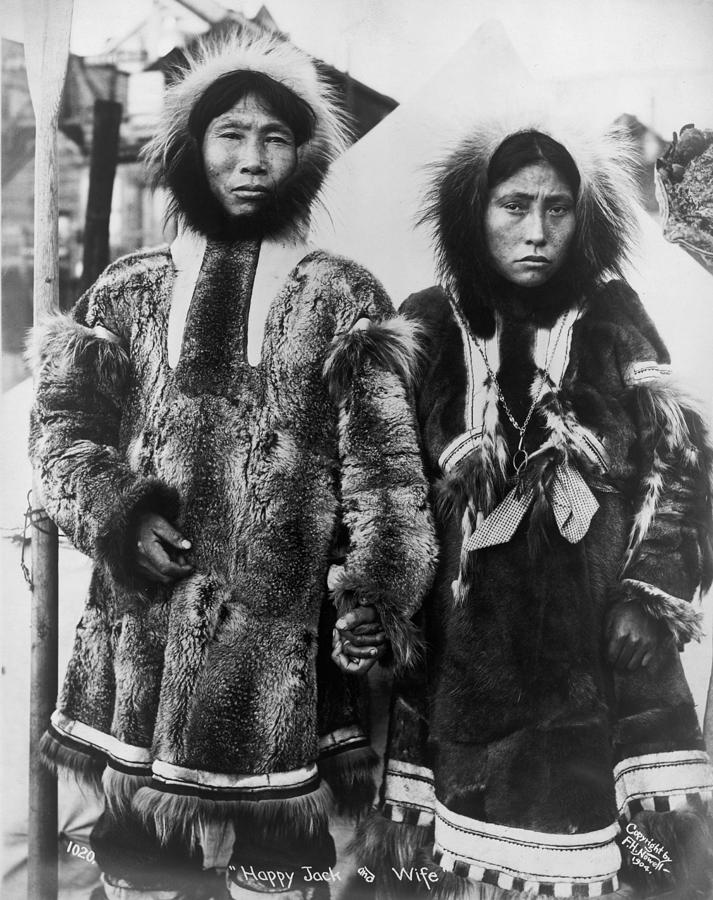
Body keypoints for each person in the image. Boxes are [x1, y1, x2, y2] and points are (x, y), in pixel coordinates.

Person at [29, 31, 436, 894]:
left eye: (276, 138)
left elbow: (385, 473)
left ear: (303, 157)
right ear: (189, 147)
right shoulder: (127, 288)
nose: (253, 159)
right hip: (142, 649)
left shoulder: (343, 294)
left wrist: (374, 595)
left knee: (276, 869)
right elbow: (60, 435)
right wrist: (118, 513)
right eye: (231, 134)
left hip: (282, 658)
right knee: (140, 867)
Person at [356, 122, 713, 899]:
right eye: (512, 206)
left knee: (616, 868)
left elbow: (679, 463)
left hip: (598, 662)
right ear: (470, 211)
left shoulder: (612, 322)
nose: (535, 232)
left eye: (557, 210)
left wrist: (650, 597)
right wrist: (383, 607)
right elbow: (382, 485)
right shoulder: (425, 326)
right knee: (455, 870)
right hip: (462, 662)